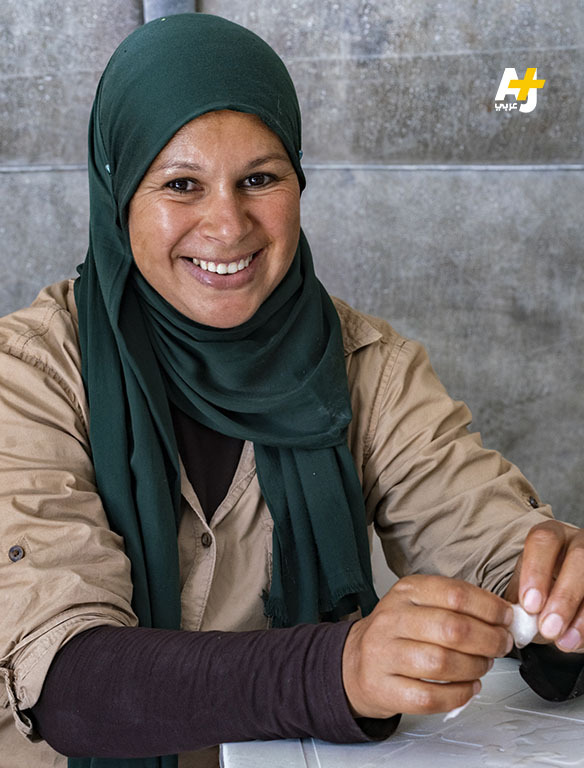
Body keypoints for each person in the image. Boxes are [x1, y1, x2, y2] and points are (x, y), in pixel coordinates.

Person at [0, 12, 582, 768]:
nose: (227, 225)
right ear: (117, 196)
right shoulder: (31, 376)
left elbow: (497, 547)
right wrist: (335, 671)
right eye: (181, 184)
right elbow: (71, 685)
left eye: (260, 179)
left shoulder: (367, 367)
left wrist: (558, 599)